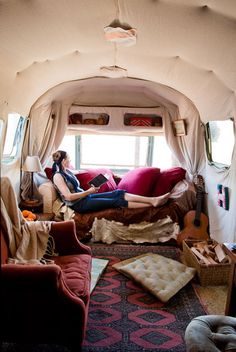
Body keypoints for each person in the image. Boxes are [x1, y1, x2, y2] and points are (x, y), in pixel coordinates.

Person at [52, 150, 170, 214]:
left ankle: (153, 200)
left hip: (85, 197)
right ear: (63, 161)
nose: (70, 160)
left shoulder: (68, 172)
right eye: (68, 158)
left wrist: (99, 182)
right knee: (116, 201)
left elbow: (79, 179)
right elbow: (68, 197)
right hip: (79, 204)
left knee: (118, 192)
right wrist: (88, 192)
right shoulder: (58, 176)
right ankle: (152, 206)